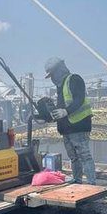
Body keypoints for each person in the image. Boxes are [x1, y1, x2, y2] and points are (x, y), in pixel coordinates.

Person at [44, 57, 96, 185]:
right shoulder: (60, 86)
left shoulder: (74, 79)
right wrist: (53, 114)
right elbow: (62, 105)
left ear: (59, 70)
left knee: (84, 156)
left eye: (52, 74)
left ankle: (91, 183)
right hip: (67, 127)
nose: (52, 78)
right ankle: (77, 180)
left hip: (78, 125)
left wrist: (65, 111)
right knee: (74, 157)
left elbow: (79, 99)